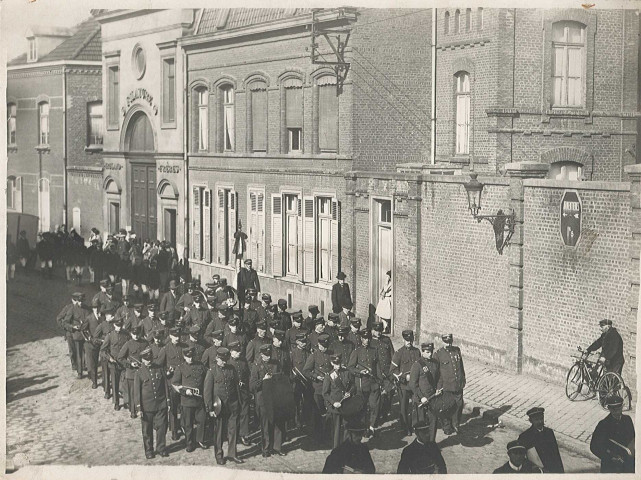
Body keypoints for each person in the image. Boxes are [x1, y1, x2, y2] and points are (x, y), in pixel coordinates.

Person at [204, 347, 243, 465]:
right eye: (222, 360)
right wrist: (209, 408)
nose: (224, 362)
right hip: (219, 406)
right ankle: (219, 455)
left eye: (226, 359)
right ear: (217, 358)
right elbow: (207, 391)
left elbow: (236, 386)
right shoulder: (211, 371)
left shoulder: (232, 369)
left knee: (233, 431)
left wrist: (238, 402)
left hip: (232, 405)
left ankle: (233, 454)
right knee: (219, 432)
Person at [250, 344, 287, 457]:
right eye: (265, 355)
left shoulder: (276, 364)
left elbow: (281, 377)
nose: (267, 357)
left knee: (278, 423)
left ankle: (277, 447)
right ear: (261, 354)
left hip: (275, 398)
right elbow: (252, 385)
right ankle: (266, 448)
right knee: (265, 425)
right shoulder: (256, 366)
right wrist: (263, 380)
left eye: (269, 355)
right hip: (263, 399)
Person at [134, 346, 169, 459]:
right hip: (146, 406)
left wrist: (167, 401)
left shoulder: (159, 368)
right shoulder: (139, 373)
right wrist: (139, 408)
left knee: (162, 427)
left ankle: (161, 448)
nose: (149, 361)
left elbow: (165, 385)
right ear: (143, 360)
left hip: (160, 404)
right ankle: (149, 450)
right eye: (146, 359)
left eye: (150, 359)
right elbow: (136, 392)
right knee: (147, 430)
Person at [172, 346, 208, 452]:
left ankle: (200, 440)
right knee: (188, 424)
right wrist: (184, 391)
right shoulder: (180, 368)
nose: (190, 359)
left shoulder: (200, 366)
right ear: (184, 356)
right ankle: (189, 443)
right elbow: (175, 384)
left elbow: (207, 378)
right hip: (187, 401)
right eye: (188, 357)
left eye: (191, 356)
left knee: (202, 420)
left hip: (200, 400)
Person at [348, 329, 382, 438]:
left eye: (368, 338)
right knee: (362, 408)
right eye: (365, 338)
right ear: (361, 339)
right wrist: (359, 372)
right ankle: (363, 428)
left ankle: (371, 427)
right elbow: (350, 367)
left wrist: (380, 381)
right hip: (362, 384)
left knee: (374, 405)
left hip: (373, 383)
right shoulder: (356, 351)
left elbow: (377, 367)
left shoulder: (374, 351)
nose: (366, 340)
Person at [590, 395, 635, 473]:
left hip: (627, 465)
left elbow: (633, 439)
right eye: (614, 409)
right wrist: (610, 457)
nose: (617, 412)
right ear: (609, 409)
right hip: (610, 467)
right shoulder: (603, 424)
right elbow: (594, 446)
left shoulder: (627, 420)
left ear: (622, 407)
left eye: (619, 408)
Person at [303, 332, 333, 441]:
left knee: (330, 412)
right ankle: (318, 435)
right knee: (318, 413)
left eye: (325, 346)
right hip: (318, 388)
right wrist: (316, 377)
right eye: (322, 346)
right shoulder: (314, 355)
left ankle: (328, 434)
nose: (323, 348)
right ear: (318, 345)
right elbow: (306, 371)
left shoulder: (331, 354)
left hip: (330, 389)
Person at [434, 333, 465, 435]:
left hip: (457, 383)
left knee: (459, 405)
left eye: (450, 342)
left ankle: (456, 424)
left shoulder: (457, 350)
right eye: (446, 342)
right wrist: (438, 387)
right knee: (447, 407)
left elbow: (461, 366)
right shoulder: (438, 354)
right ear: (442, 342)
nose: (449, 344)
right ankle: (446, 426)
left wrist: (463, 378)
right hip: (446, 385)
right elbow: (436, 373)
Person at [323, 353, 356, 449]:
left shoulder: (347, 372)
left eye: (339, 363)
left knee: (347, 427)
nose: (338, 365)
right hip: (336, 406)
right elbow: (325, 393)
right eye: (336, 363)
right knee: (336, 430)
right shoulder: (329, 376)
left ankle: (347, 447)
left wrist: (349, 392)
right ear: (332, 363)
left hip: (346, 404)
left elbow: (353, 386)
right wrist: (333, 403)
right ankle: (336, 449)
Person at [390, 330, 421, 435]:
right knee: (404, 408)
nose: (409, 342)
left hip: (415, 385)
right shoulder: (399, 353)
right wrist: (404, 376)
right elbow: (393, 370)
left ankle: (415, 425)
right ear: (403, 340)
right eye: (407, 340)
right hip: (404, 385)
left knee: (416, 406)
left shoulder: (417, 352)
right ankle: (405, 427)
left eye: (411, 340)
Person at [518, 407, 564, 473]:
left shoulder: (549, 432)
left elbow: (556, 454)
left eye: (541, 418)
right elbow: (521, 459)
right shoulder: (525, 436)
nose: (540, 421)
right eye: (536, 419)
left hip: (552, 470)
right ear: (530, 421)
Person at [410, 342, 440, 442]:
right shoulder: (417, 365)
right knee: (421, 424)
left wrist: (438, 388)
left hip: (433, 398)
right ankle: (421, 444)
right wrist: (421, 397)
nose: (430, 354)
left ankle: (431, 443)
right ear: (422, 352)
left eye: (431, 352)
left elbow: (439, 378)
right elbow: (413, 384)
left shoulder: (435, 363)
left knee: (433, 422)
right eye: (427, 352)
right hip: (421, 400)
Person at [118, 325, 149, 418]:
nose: (136, 336)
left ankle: (142, 408)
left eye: (137, 334)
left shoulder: (145, 342)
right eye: (134, 334)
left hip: (143, 371)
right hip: (132, 373)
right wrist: (129, 364)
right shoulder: (128, 344)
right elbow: (120, 358)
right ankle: (133, 410)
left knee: (143, 391)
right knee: (132, 393)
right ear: (131, 334)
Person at [100, 317, 130, 410]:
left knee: (125, 383)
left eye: (120, 325)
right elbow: (103, 350)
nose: (119, 328)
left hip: (124, 363)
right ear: (114, 325)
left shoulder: (126, 334)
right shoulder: (110, 336)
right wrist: (109, 358)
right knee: (115, 383)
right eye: (117, 326)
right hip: (114, 364)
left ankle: (126, 401)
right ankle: (116, 402)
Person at [161, 327, 186, 440]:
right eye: (175, 336)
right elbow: (160, 366)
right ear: (170, 336)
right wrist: (167, 372)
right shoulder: (166, 349)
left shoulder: (184, 347)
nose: (177, 338)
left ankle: (185, 426)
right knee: (173, 407)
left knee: (184, 405)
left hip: (183, 381)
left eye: (178, 336)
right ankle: (174, 429)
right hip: (172, 383)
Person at [228, 340, 252, 447]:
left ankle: (244, 435)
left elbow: (248, 375)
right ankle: (232, 435)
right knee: (234, 414)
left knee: (245, 413)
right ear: (231, 352)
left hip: (243, 393)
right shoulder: (228, 363)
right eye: (236, 351)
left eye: (239, 351)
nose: (238, 353)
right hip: (233, 393)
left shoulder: (243, 362)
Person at [371, 320, 395, 424]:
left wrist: (392, 371)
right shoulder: (370, 342)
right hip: (376, 373)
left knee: (389, 394)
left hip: (388, 372)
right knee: (377, 397)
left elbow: (392, 355)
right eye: (376, 330)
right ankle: (376, 417)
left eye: (380, 330)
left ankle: (385, 413)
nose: (378, 332)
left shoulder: (387, 340)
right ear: (372, 330)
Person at [82, 298, 105, 389]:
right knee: (94, 363)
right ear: (92, 308)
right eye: (95, 307)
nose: (97, 309)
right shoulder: (89, 318)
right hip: (92, 344)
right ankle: (94, 381)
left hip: (102, 343)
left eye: (98, 307)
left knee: (104, 361)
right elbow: (83, 330)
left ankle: (105, 381)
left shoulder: (102, 317)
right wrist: (89, 338)